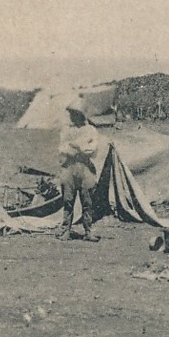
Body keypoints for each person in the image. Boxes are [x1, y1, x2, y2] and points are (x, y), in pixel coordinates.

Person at [57, 103, 101, 241]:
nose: (72, 116)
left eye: (75, 113)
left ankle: (88, 231)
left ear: (81, 115)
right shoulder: (66, 130)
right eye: (71, 113)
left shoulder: (91, 130)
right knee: (68, 199)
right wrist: (80, 146)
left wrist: (77, 146)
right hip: (69, 166)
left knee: (87, 200)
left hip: (85, 167)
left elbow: (92, 149)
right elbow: (62, 149)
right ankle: (65, 230)